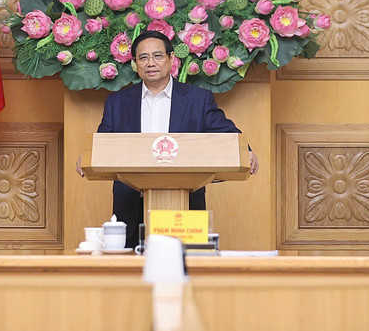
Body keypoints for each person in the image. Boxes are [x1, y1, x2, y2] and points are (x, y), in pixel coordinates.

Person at [85, 30, 258, 248]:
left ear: (171, 59)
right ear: (135, 63)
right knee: (129, 275)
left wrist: (246, 151)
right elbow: (103, 144)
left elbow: (225, 131)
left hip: (185, 204)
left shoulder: (197, 99)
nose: (150, 63)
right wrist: (87, 157)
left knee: (186, 268)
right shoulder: (118, 102)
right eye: (143, 57)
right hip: (130, 202)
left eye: (157, 56)